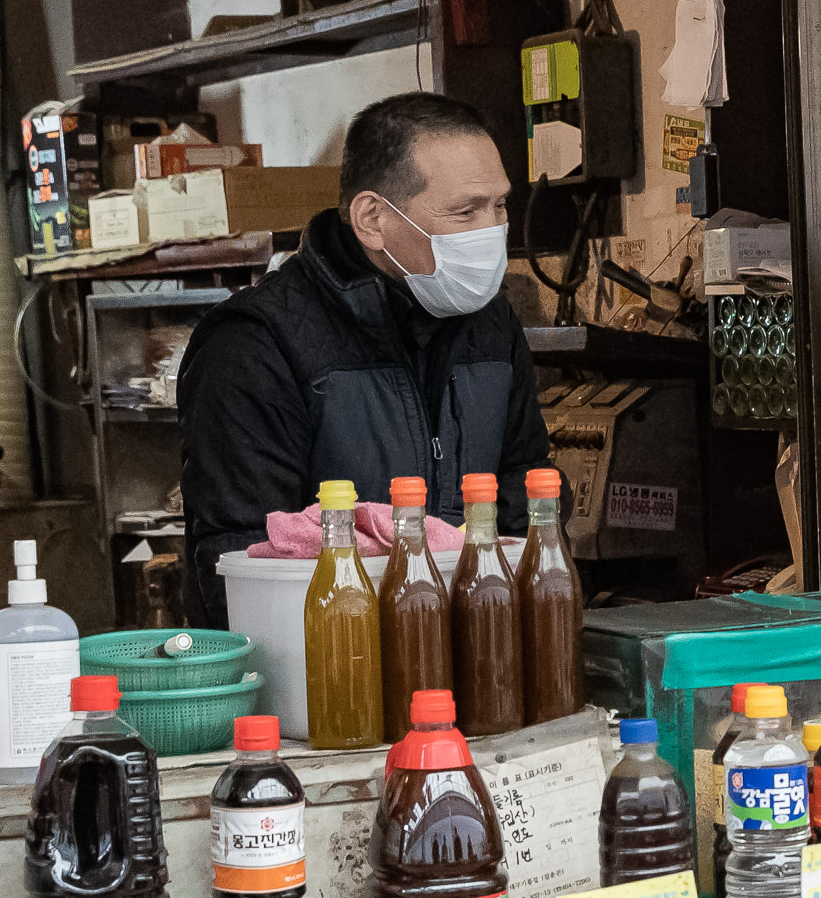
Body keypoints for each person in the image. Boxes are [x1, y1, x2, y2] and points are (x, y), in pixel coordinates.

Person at [179, 91, 551, 627]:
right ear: (373, 219)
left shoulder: (490, 323)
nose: (492, 233)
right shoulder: (257, 343)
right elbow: (246, 559)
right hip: (327, 669)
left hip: (472, 658)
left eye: (499, 207)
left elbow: (523, 496)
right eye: (465, 212)